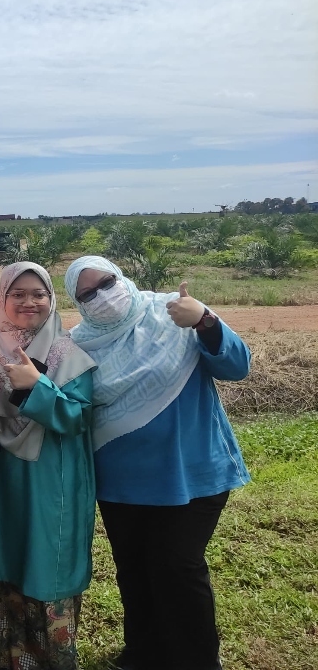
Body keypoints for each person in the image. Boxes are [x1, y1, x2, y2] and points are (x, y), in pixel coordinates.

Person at [63, 256, 251, 670]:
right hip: (120, 481)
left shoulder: (173, 313)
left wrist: (205, 319)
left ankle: (197, 660)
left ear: (122, 277)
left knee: (178, 568)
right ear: (77, 304)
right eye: (87, 294)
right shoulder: (79, 343)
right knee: (134, 571)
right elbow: (70, 406)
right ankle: (143, 653)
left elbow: (237, 367)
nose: (102, 297)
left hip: (191, 472)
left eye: (107, 283)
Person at [0, 262, 97, 670]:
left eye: (38, 294)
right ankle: (1, 660)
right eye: (18, 294)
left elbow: (77, 419)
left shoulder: (67, 354)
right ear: (2, 298)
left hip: (49, 476)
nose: (29, 302)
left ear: (52, 299)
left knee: (44, 558)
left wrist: (36, 386)